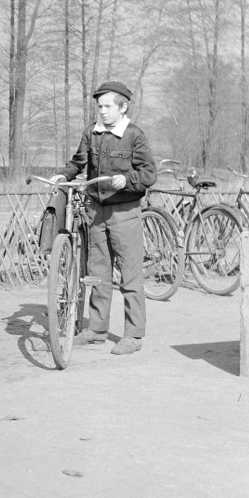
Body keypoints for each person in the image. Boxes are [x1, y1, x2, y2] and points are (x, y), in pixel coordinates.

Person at [49, 80, 156, 355]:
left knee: (130, 275)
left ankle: (133, 335)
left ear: (123, 107)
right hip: (96, 212)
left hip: (125, 213)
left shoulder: (134, 136)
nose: (103, 111)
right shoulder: (91, 133)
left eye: (108, 106)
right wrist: (65, 174)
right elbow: (78, 162)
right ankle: (96, 329)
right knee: (98, 273)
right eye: (100, 106)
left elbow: (148, 174)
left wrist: (127, 179)